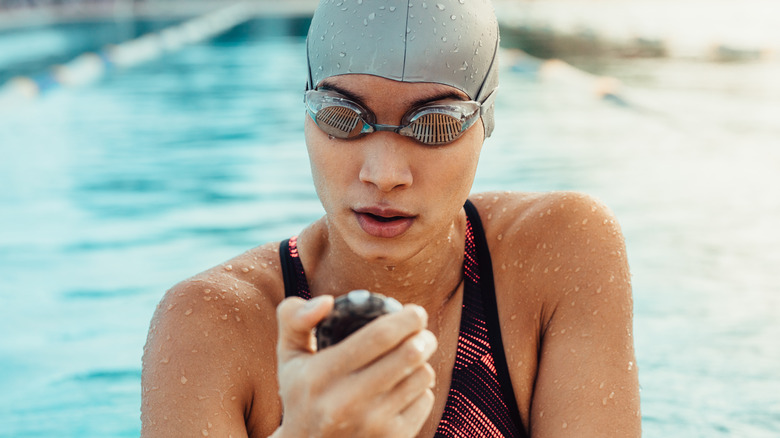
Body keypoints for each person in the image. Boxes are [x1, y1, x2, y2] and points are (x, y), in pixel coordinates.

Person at [140, 0, 641, 436]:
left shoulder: (560, 252)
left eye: (437, 124)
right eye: (341, 116)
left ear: (486, 122)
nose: (383, 174)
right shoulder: (209, 325)